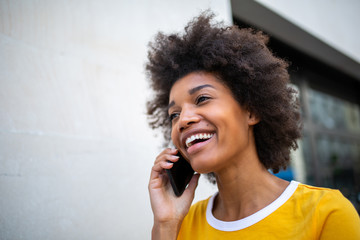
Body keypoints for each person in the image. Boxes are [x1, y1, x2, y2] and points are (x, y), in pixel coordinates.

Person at [146, 11, 360, 240]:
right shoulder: (179, 223)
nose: (183, 120)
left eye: (202, 99)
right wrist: (166, 224)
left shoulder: (327, 214)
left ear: (252, 110)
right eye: (174, 114)